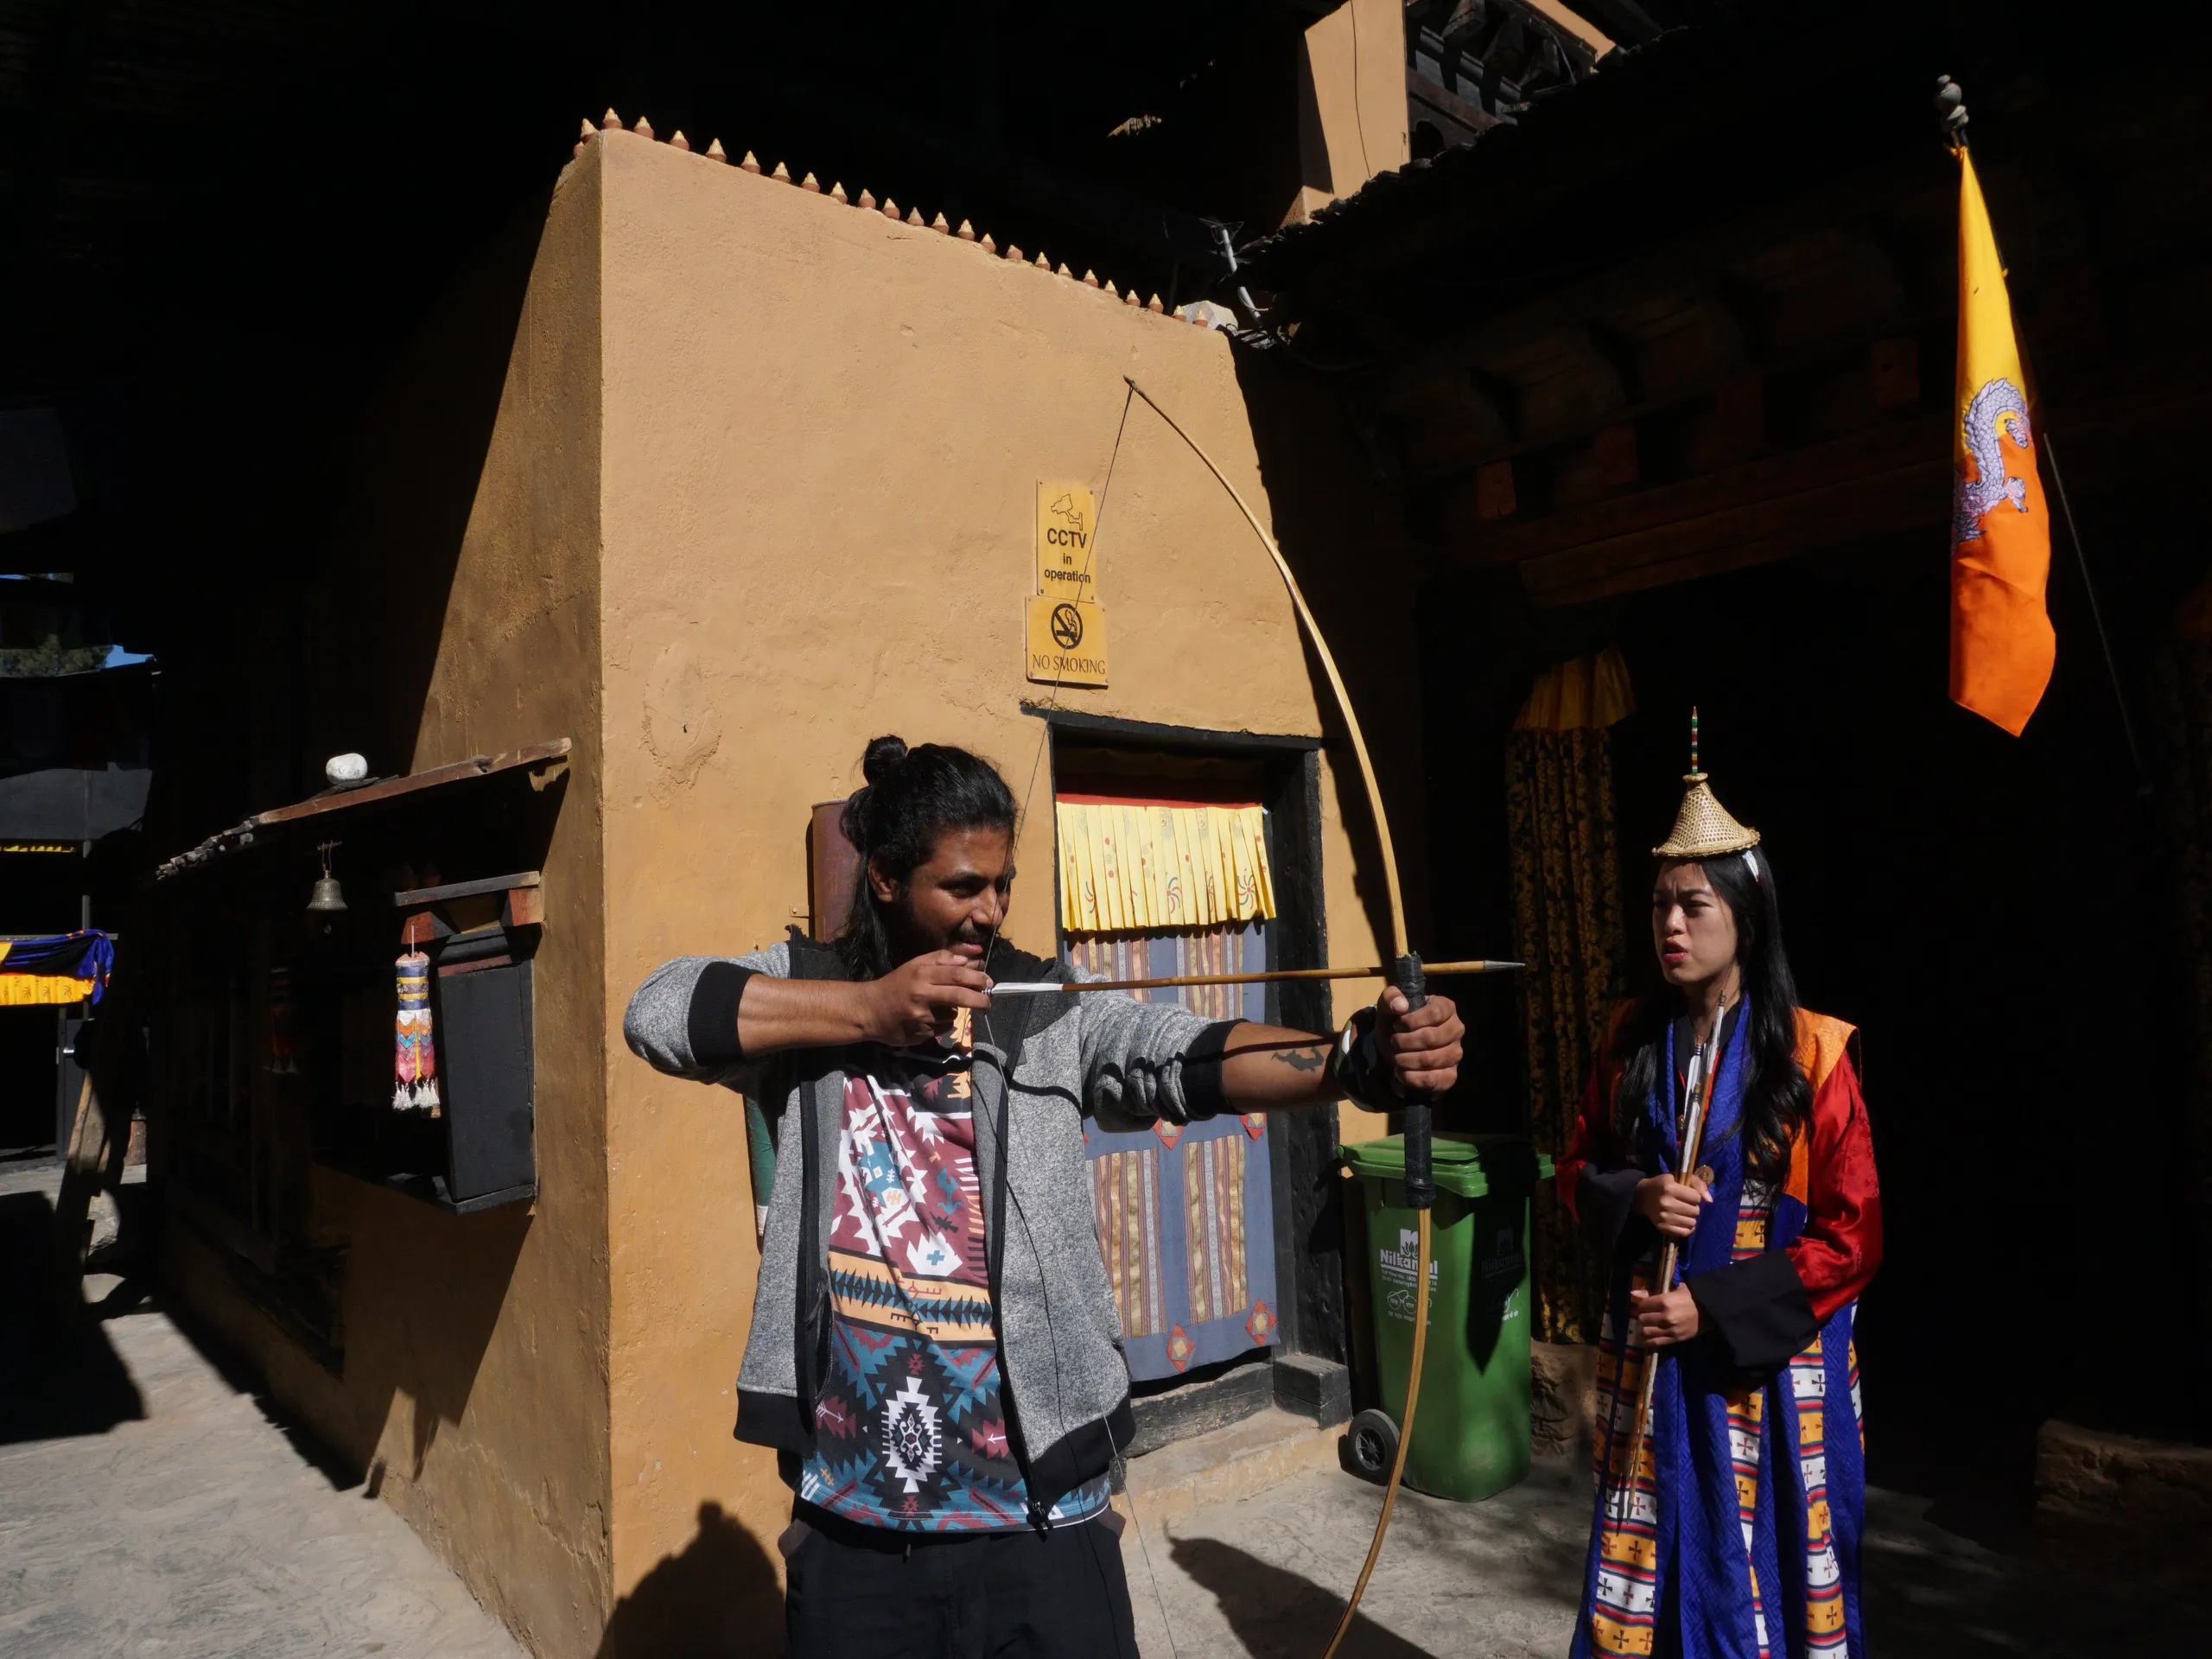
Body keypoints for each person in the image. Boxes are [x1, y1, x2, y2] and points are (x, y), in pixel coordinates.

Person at [624, 734, 1464, 1659]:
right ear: (887, 881)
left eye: (1003, 884)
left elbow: (1180, 1057)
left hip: (1043, 1522)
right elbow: (658, 1012)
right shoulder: (812, 995)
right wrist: (867, 1011)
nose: (989, 910)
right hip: (855, 1529)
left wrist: (1356, 1062)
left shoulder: (1040, 1006)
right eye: (961, 886)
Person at [1555, 750, 1881, 1659]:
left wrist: (1718, 1304)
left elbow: (1851, 1241)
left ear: (1745, 915)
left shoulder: (1813, 1054)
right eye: (1660, 903)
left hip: (1765, 1376)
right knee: (1650, 1566)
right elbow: (1573, 1167)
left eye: (1693, 905)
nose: (1670, 923)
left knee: (1762, 1568)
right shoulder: (1628, 1038)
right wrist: (1636, 1194)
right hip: (1650, 1360)